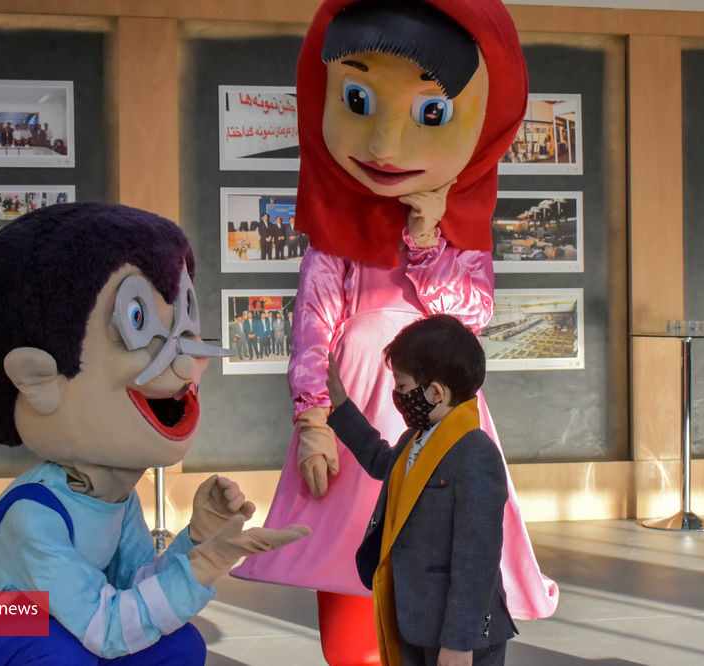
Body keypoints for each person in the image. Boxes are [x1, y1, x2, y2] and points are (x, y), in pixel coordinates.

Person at [231, 2, 558, 665]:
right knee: (348, 558)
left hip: (435, 409)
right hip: (354, 405)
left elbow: (469, 318)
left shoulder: (461, 234)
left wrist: (428, 239)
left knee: (445, 544)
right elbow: (312, 324)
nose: (384, 145)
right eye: (358, 100)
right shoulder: (336, 234)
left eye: (430, 112)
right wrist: (313, 417)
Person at [0, 203, 307, 664]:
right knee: (60, 656)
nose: (187, 364)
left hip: (55, 628)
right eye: (137, 320)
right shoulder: (32, 516)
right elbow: (109, 630)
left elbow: (135, 590)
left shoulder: (116, 498)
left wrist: (198, 538)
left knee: (180, 645)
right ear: (37, 380)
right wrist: (207, 564)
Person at [326, 315, 516, 666]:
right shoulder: (414, 439)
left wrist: (459, 642)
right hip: (414, 618)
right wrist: (342, 407)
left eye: (402, 386)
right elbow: (383, 463)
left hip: (458, 633)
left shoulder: (475, 453)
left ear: (436, 393)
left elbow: (477, 559)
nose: (397, 396)